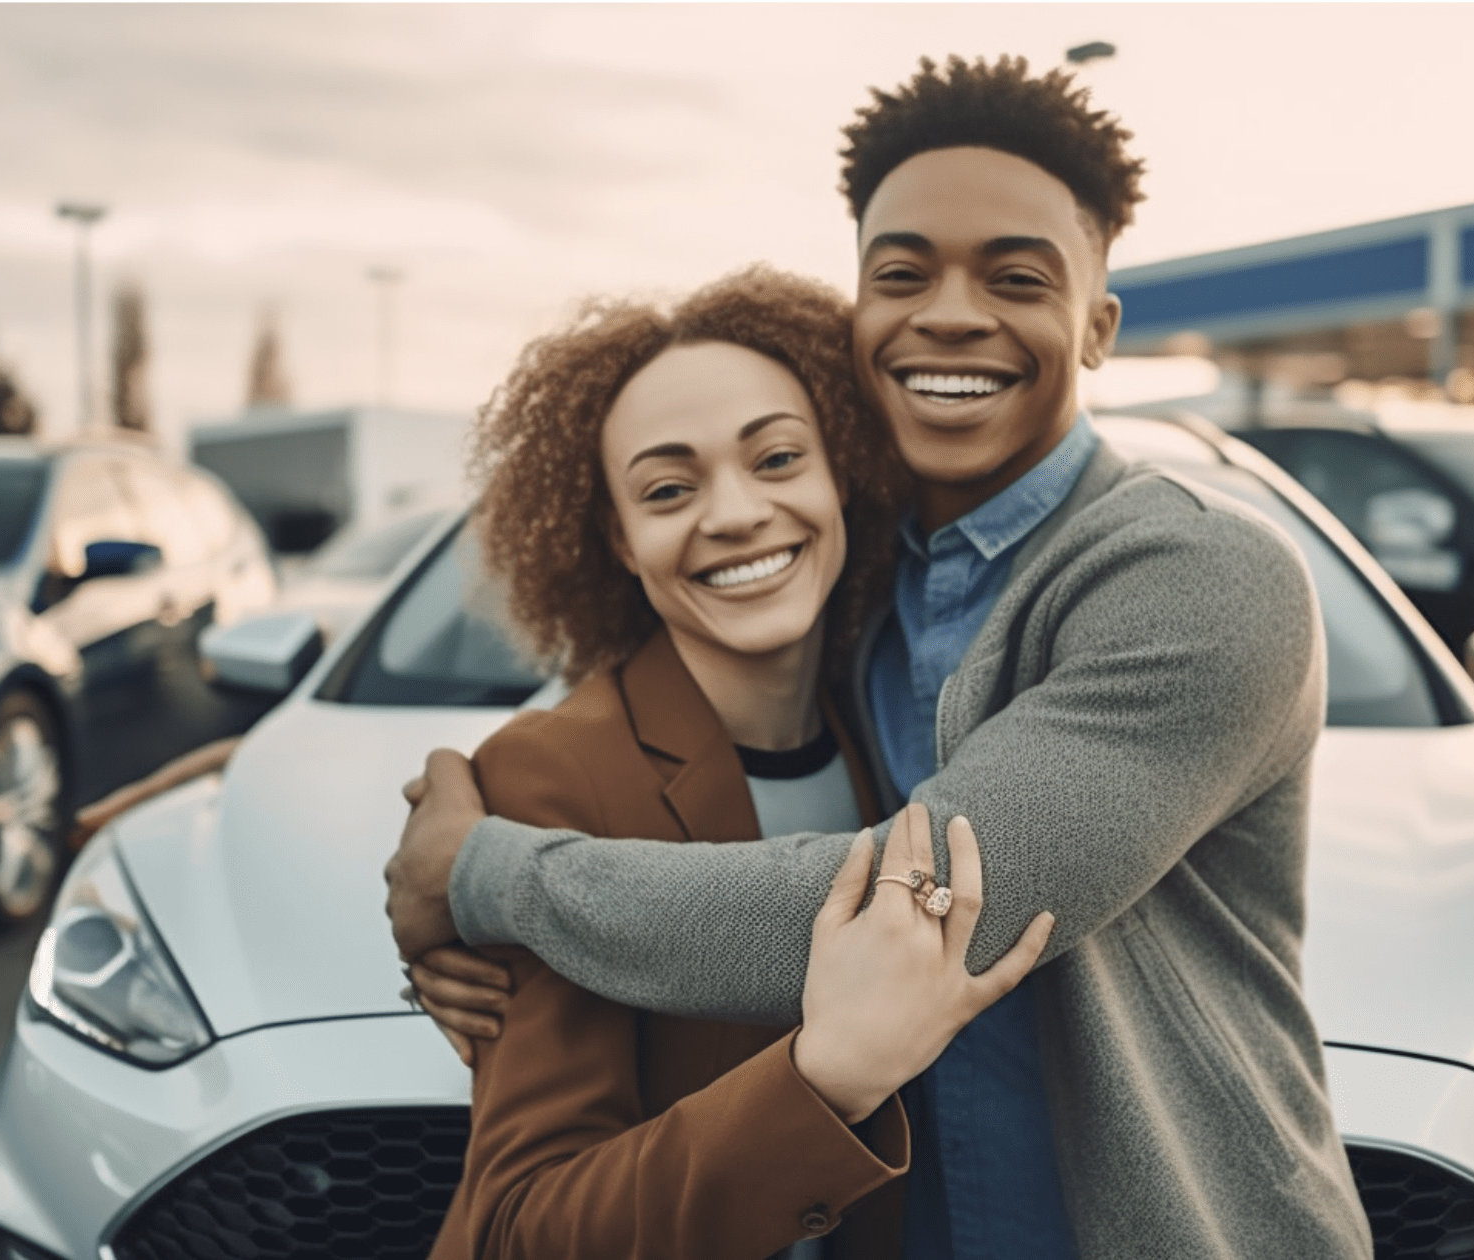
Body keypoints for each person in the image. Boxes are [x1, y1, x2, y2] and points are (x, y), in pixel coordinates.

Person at [397, 57, 1375, 1258]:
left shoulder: (1197, 579)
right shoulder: (856, 584)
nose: (949, 313)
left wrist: (487, 877)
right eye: (899, 273)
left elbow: (899, 907)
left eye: (1015, 277)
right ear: (853, 313)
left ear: (1098, 326)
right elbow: (655, 703)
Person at [419, 268, 1054, 1260]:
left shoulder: (897, 728)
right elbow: (518, 1231)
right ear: (618, 542)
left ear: (839, 471)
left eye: (777, 458)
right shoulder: (548, 776)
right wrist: (825, 1077)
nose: (733, 513)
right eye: (668, 489)